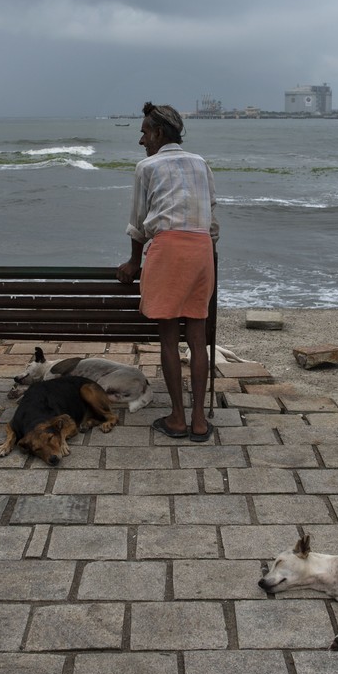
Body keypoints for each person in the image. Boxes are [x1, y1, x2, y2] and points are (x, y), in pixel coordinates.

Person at [116, 102, 219, 442]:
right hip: (202, 250)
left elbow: (138, 224)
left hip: (169, 249)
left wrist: (134, 263)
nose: (141, 140)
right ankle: (200, 421)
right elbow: (211, 218)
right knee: (198, 338)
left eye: (144, 133)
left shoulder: (146, 167)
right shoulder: (201, 163)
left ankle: (177, 417)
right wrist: (204, 253)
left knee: (170, 340)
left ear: (159, 133)